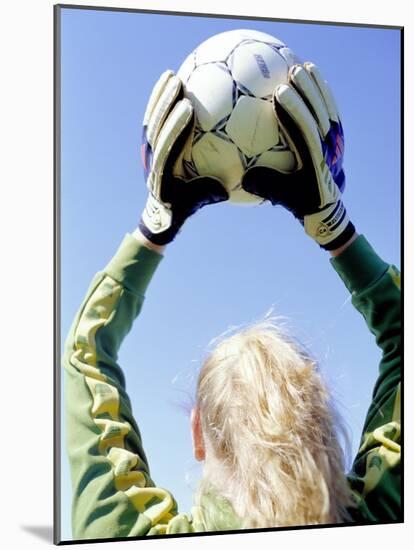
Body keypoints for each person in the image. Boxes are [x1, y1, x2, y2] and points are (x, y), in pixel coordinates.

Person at [62, 62, 401, 540]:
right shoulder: (384, 519)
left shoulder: (128, 532)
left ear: (198, 433)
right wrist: (333, 226)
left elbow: (84, 354)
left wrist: (153, 227)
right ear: (322, 424)